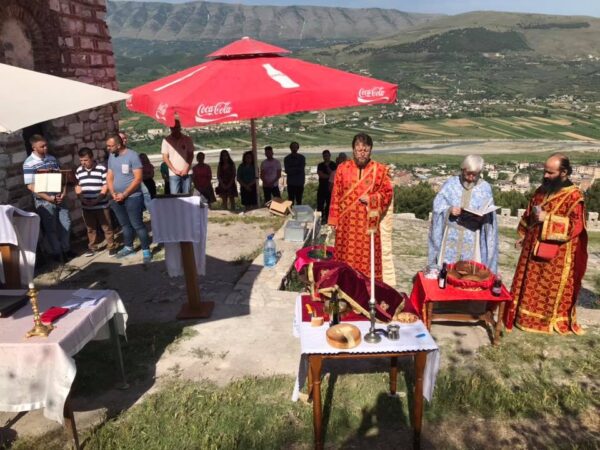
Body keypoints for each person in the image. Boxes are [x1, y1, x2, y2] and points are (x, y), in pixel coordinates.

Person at [507, 153, 587, 335]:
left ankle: (542, 321)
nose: (545, 175)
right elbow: (530, 212)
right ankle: (520, 316)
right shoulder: (542, 190)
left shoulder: (574, 196)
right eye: (545, 171)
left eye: (550, 173)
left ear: (564, 172)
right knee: (527, 283)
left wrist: (548, 218)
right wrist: (524, 235)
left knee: (545, 288)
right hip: (531, 247)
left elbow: (576, 226)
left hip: (556, 254)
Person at [328, 133, 393, 282]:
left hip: (367, 226)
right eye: (359, 150)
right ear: (353, 150)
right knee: (344, 258)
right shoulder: (342, 168)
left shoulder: (379, 170)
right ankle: (344, 287)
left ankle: (366, 290)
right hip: (346, 226)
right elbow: (336, 194)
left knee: (367, 261)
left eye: (365, 150)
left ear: (370, 150)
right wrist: (333, 219)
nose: (362, 153)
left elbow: (387, 193)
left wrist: (372, 199)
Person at [428, 155, 499, 272]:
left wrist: (483, 217)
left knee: (469, 272)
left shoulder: (485, 188)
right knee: (446, 271)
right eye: (468, 174)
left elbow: (490, 214)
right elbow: (438, 206)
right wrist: (449, 210)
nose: (471, 178)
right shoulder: (451, 184)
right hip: (451, 235)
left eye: (475, 175)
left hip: (473, 236)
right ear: (462, 170)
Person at [23, 134, 73, 261]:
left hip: (58, 196)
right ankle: (58, 253)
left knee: (66, 222)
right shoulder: (29, 163)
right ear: (34, 147)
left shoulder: (51, 158)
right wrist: (48, 198)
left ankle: (66, 249)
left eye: (46, 145)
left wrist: (63, 192)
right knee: (51, 229)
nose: (45, 148)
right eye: (42, 146)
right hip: (44, 201)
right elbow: (30, 186)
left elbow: (61, 177)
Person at [106, 134, 152, 263]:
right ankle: (129, 247)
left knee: (137, 224)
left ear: (118, 145)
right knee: (125, 225)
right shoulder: (111, 156)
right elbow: (109, 176)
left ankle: (146, 250)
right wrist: (112, 192)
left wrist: (125, 194)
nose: (108, 148)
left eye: (110, 146)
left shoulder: (133, 156)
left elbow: (138, 179)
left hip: (133, 197)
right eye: (107, 146)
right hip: (116, 197)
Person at [74, 147, 117, 257]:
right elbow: (78, 186)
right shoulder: (79, 170)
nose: (83, 163)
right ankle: (92, 247)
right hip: (86, 206)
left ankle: (111, 246)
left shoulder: (101, 169)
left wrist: (97, 200)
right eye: (81, 160)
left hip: (101, 205)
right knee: (90, 228)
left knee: (106, 227)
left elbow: (105, 186)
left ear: (92, 158)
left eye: (86, 160)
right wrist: (82, 199)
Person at [161, 119, 194, 194]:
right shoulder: (166, 140)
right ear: (171, 128)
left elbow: (190, 155)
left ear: (180, 127)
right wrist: (174, 170)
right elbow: (165, 157)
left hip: (187, 172)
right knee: (175, 196)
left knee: (187, 196)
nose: (176, 129)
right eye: (173, 127)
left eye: (177, 127)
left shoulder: (187, 139)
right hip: (173, 174)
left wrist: (185, 169)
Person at [317, 149, 336, 223]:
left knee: (329, 204)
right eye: (324, 156)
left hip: (330, 188)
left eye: (327, 156)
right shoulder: (320, 165)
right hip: (322, 187)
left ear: (330, 156)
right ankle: (319, 219)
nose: (326, 157)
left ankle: (328, 219)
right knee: (320, 204)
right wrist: (330, 176)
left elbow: (334, 174)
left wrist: (328, 168)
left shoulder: (333, 164)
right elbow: (321, 175)